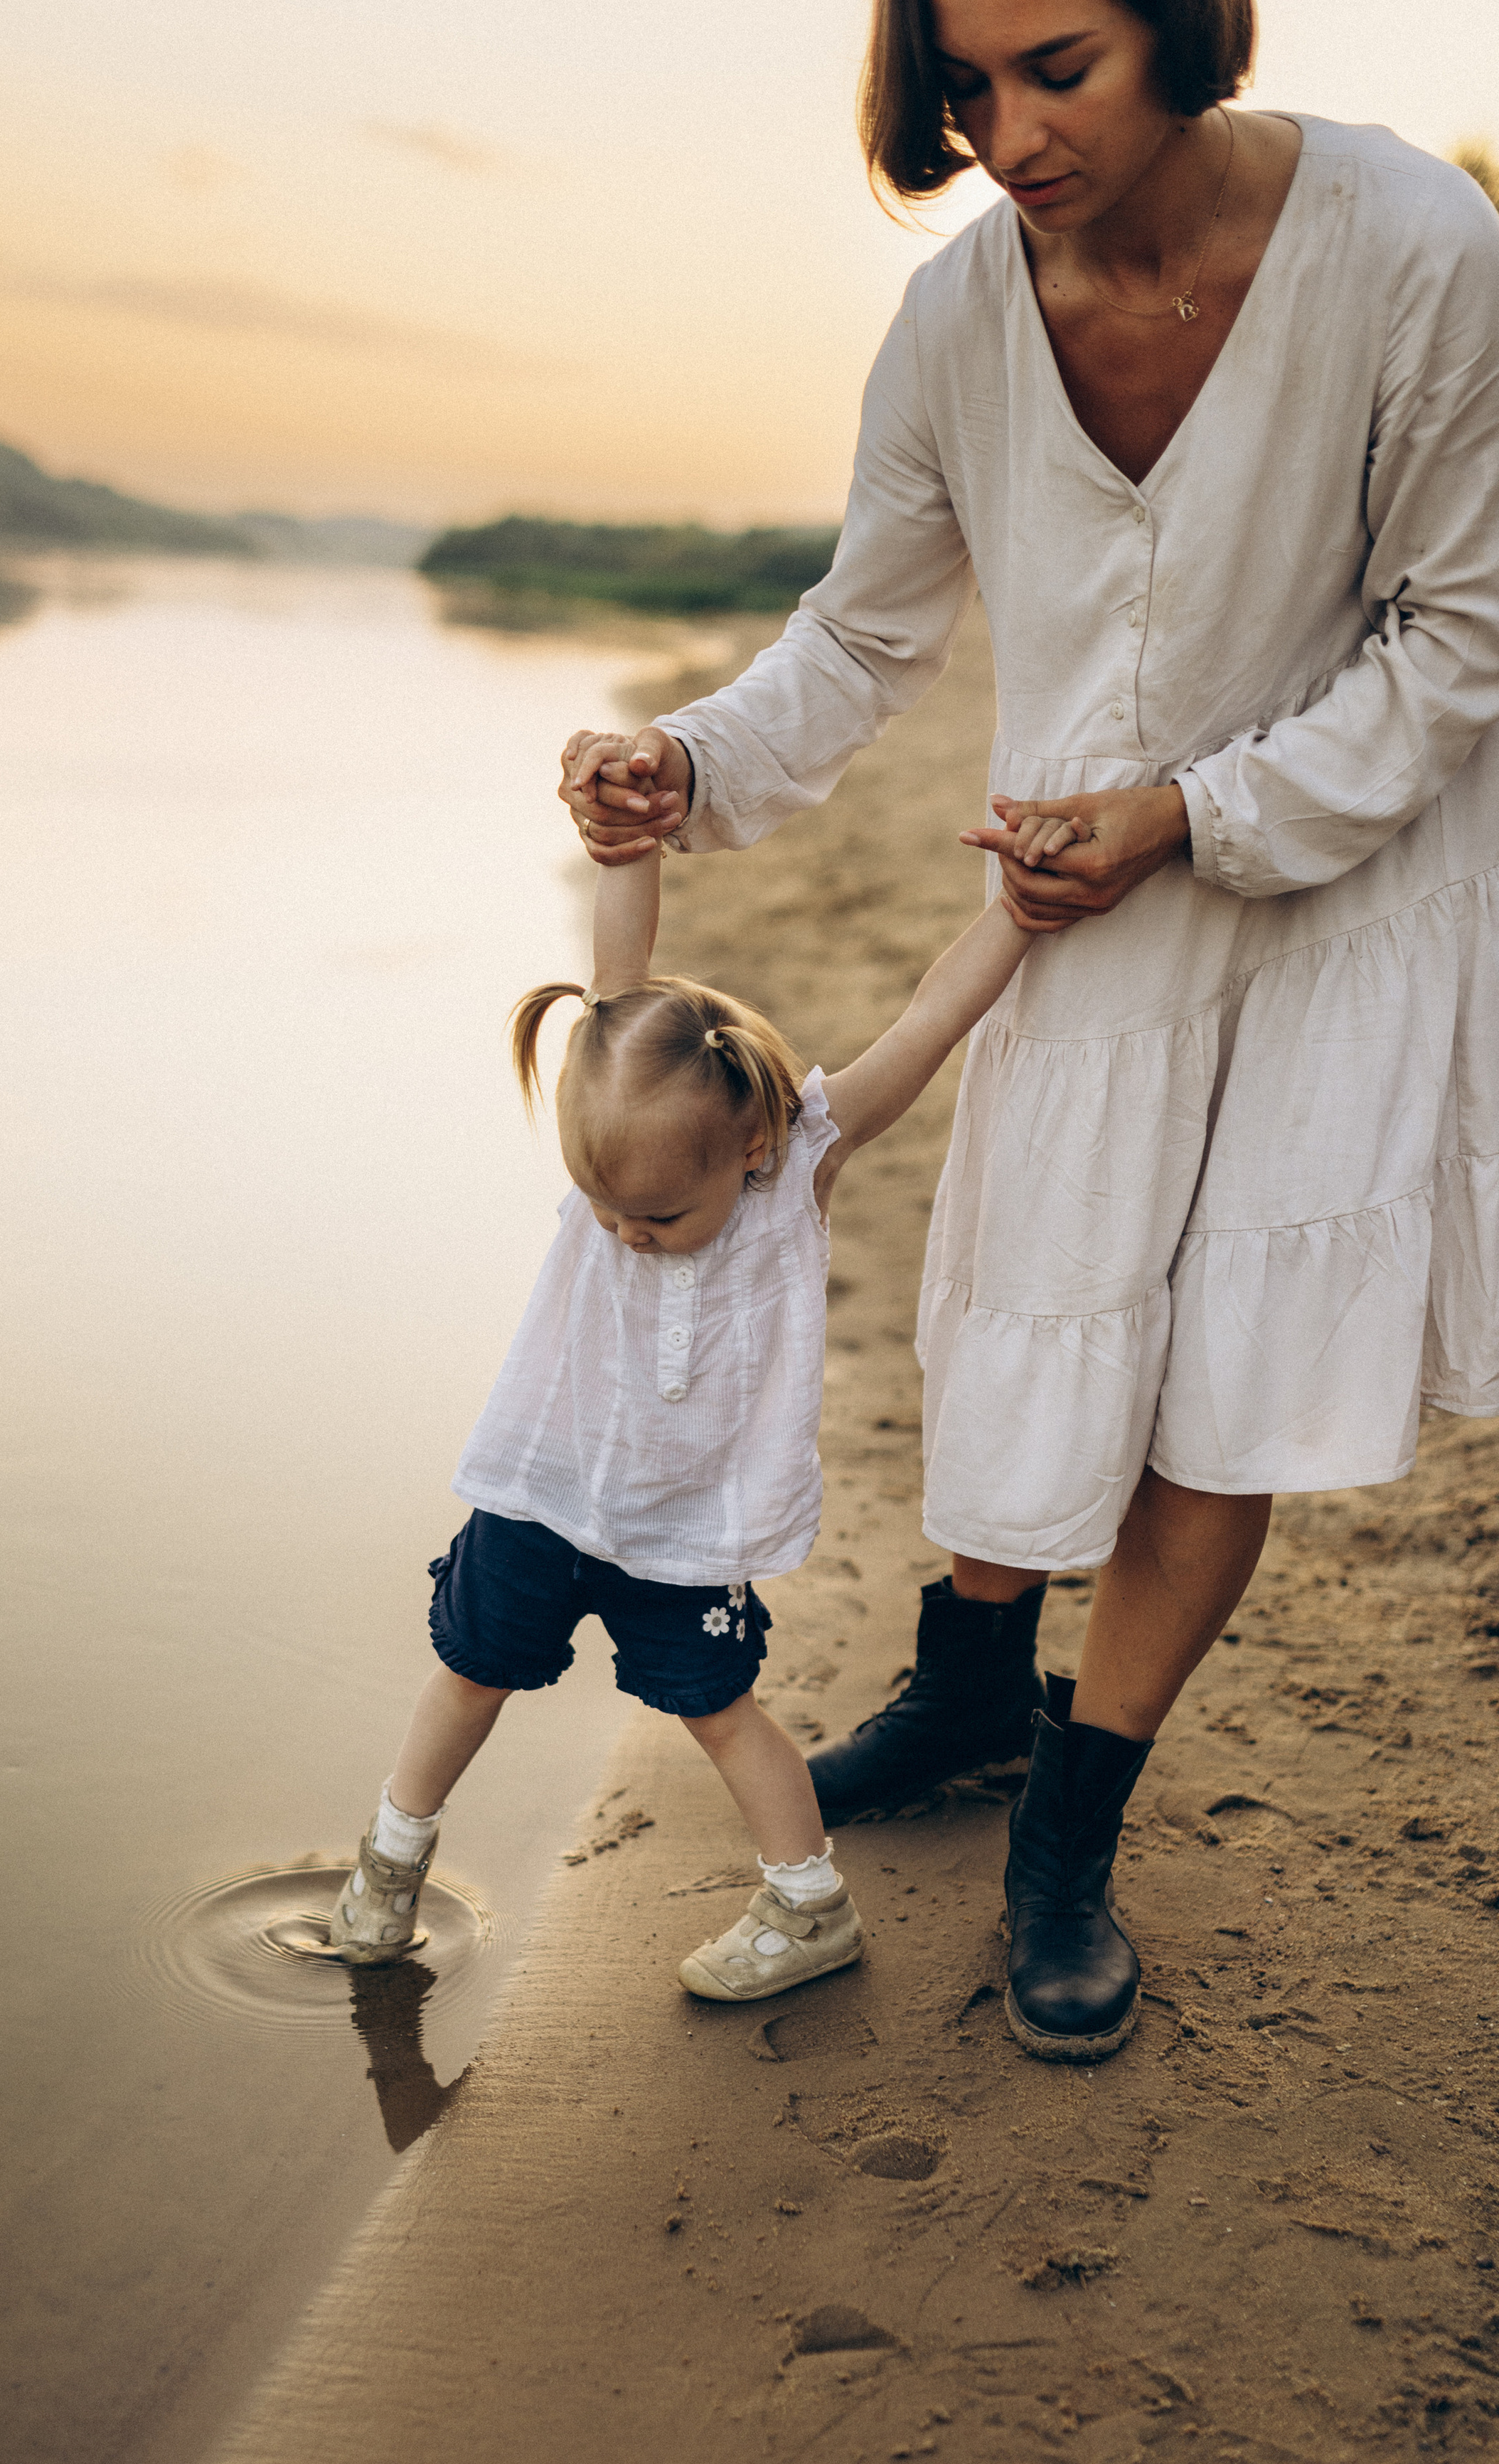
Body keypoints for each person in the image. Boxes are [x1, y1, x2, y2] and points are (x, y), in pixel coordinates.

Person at [562, 0, 1499, 2062]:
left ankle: (1069, 1831)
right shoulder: (960, 321)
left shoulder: (1422, 247)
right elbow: (863, 631)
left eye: (1053, 66)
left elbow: (1466, 635)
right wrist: (686, 765)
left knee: (1222, 1382)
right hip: (1071, 908)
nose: (1005, 135)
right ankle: (977, 1682)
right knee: (1039, 1308)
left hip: (1344, 896)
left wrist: (1199, 815)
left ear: (1187, 24)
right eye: (962, 87)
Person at [330, 750, 1033, 2000]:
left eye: (654, 1214)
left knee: (720, 1710)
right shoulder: (620, 1114)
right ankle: (390, 1862)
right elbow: (622, 978)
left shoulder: (796, 1176)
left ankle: (810, 1905)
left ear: (752, 1149)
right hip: (543, 1489)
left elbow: (926, 1024)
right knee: (469, 1668)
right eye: (599, 1204)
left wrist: (1018, 915)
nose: (621, 1232)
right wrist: (626, 844)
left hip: (687, 1528)